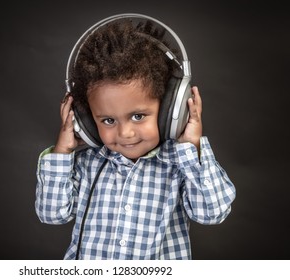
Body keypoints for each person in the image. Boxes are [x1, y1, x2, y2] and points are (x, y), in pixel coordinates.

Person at [35, 16, 236, 260]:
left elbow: (212, 213)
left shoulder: (180, 164)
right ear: (85, 119)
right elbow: (51, 214)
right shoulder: (88, 163)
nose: (125, 133)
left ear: (170, 111)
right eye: (108, 120)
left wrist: (191, 147)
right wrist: (62, 153)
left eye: (138, 116)